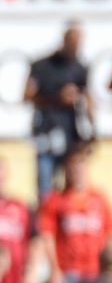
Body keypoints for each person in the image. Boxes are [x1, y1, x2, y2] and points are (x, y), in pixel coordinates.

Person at [26, 23, 94, 199]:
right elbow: (27, 96)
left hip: (71, 135)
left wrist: (92, 131)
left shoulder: (80, 67)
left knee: (74, 185)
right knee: (46, 188)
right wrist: (57, 98)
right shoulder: (42, 66)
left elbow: (88, 99)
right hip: (47, 133)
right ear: (65, 40)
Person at [38, 145, 111, 283]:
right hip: (69, 275)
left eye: (81, 166)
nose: (78, 171)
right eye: (74, 166)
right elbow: (47, 237)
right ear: (67, 170)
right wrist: (54, 270)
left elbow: (108, 236)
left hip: (96, 274)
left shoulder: (99, 199)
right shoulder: (55, 200)